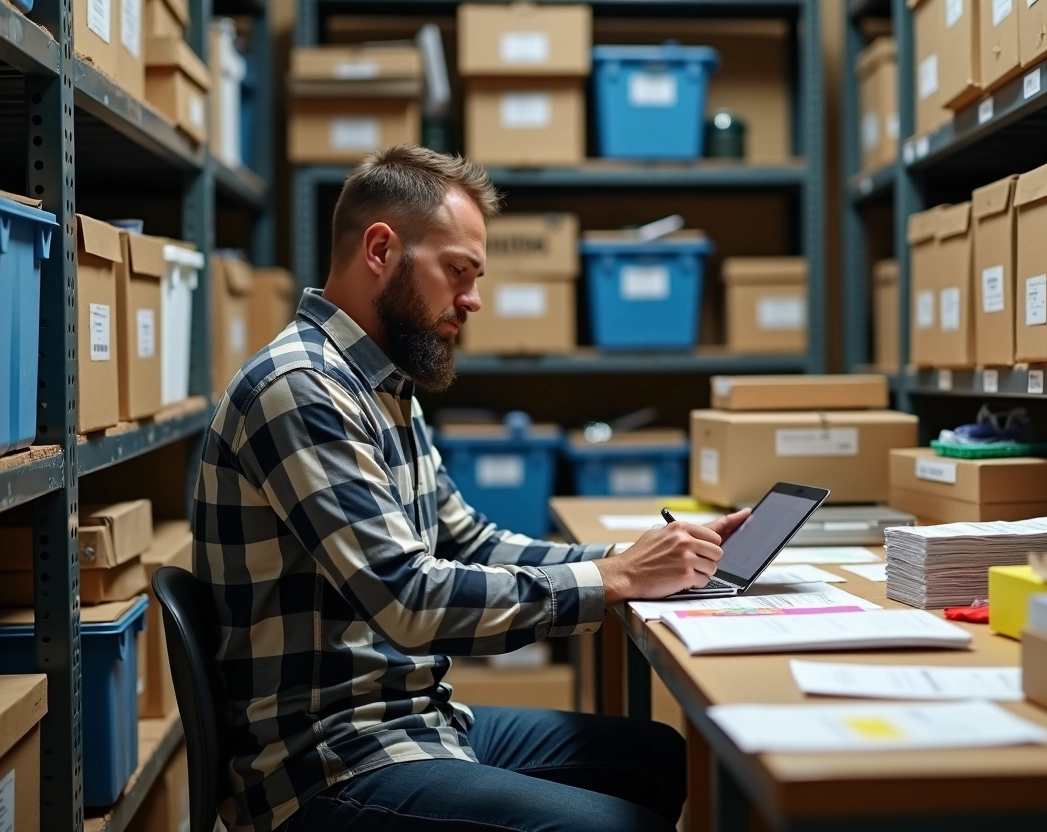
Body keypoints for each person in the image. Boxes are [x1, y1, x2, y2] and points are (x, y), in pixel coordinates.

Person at [193, 145, 750, 832]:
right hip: (328, 763)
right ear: (380, 250)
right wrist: (612, 578)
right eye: (457, 272)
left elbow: (471, 541)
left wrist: (646, 559)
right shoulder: (301, 389)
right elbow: (408, 598)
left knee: (658, 758)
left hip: (415, 718)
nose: (473, 300)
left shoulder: (385, 387)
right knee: (614, 826)